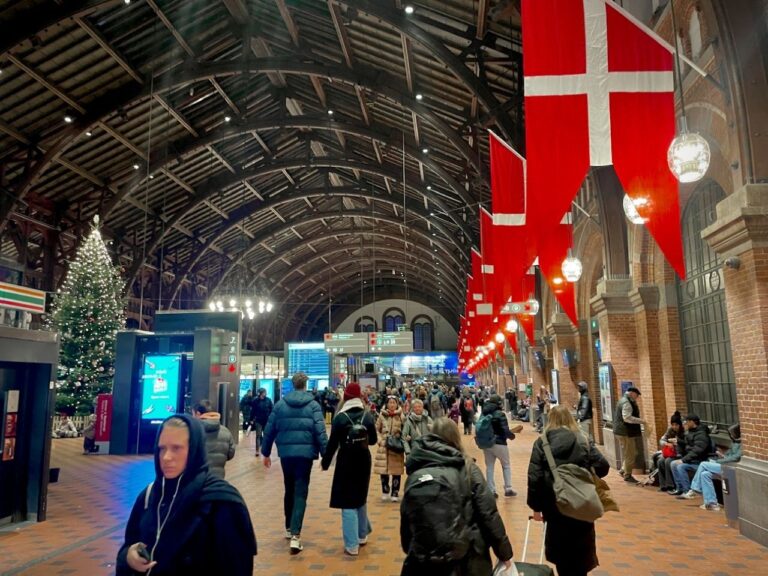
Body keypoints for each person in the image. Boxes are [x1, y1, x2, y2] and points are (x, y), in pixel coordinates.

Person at [116, 414, 256, 575]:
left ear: (194, 450)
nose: (167, 457)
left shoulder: (221, 501)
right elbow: (129, 544)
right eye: (162, 449)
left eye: (176, 448)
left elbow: (237, 567)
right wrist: (128, 557)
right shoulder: (149, 496)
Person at [400, 417, 514, 576]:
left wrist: (414, 547)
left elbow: (407, 521)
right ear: (455, 437)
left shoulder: (417, 472)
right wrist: (504, 553)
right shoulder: (467, 468)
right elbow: (488, 513)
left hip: (423, 561)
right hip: (467, 558)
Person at [527, 405, 610, 576]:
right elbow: (603, 466)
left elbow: (534, 478)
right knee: (581, 551)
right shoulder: (583, 439)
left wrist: (536, 507)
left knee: (561, 552)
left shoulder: (542, 443)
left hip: (555, 504)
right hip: (582, 503)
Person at [261, 372, 328, 554]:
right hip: (305, 455)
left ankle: (289, 528)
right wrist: (326, 456)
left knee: (288, 488)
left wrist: (265, 452)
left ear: (292, 385)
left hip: (286, 455)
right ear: (305, 385)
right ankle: (296, 536)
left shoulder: (280, 405)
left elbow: (269, 429)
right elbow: (320, 432)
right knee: (300, 491)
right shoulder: (313, 405)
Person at [321, 383, 377, 556]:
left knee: (347, 502)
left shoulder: (340, 418)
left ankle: (351, 545)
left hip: (346, 461)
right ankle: (362, 536)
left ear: (345, 397)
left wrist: (325, 462)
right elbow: (373, 440)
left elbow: (332, 445)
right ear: (359, 396)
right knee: (360, 496)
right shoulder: (367, 416)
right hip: (364, 460)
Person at [683, 424, 741, 510]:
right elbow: (729, 456)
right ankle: (711, 503)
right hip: (725, 465)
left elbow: (735, 458)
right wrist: (722, 455)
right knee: (705, 474)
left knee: (703, 464)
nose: (731, 435)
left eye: (732, 433)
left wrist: (719, 461)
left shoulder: (743, 444)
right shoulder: (734, 443)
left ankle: (695, 489)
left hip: (732, 468)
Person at [480, 394, 522, 498]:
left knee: (489, 467)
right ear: (499, 403)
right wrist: (512, 436)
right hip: (500, 443)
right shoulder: (500, 414)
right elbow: (505, 430)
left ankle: (491, 490)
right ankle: (508, 488)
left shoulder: (484, 413)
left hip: (487, 443)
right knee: (506, 465)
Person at [669, 414, 711, 497]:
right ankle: (679, 488)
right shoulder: (691, 432)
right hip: (692, 459)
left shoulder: (701, 434)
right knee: (673, 463)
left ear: (692, 422)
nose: (685, 424)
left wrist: (683, 460)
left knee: (680, 466)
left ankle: (687, 490)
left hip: (699, 461)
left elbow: (697, 450)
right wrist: (678, 442)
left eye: (687, 422)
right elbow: (688, 445)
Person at [192, 399, 235, 479]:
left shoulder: (192, 431)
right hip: (218, 479)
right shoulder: (226, 431)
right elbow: (230, 453)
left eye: (193, 414)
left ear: (198, 414)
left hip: (195, 479)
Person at [375, 395, 405, 502]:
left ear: (397, 404)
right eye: (390, 403)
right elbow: (376, 429)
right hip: (384, 446)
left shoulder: (401, 416)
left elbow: (405, 429)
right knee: (384, 469)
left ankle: (395, 492)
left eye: (394, 403)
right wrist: (379, 440)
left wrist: (402, 438)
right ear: (386, 404)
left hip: (396, 447)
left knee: (396, 470)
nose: (392, 405)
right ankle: (385, 490)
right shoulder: (382, 416)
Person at [612, 386, 646, 483]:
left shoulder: (623, 400)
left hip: (621, 431)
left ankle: (623, 470)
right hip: (625, 432)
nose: (637, 397)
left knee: (631, 452)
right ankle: (627, 475)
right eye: (636, 395)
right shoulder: (626, 402)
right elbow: (627, 418)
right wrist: (642, 421)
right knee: (630, 454)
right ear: (632, 393)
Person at [655, 411, 684, 492]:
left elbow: (686, 443)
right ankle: (663, 485)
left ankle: (670, 485)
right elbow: (661, 440)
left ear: (680, 425)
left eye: (676, 425)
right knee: (660, 461)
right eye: (673, 425)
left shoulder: (684, 432)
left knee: (668, 461)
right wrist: (667, 443)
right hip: (671, 453)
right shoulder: (670, 430)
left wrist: (677, 442)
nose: (674, 427)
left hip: (680, 454)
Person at [251, 388, 273, 457]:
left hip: (266, 420)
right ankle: (257, 451)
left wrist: (271, 418)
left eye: (265, 392)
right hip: (258, 420)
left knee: (266, 435)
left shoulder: (268, 400)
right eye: (264, 392)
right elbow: (253, 411)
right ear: (260, 393)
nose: (265, 393)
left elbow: (272, 410)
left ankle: (265, 449)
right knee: (258, 435)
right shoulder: (255, 401)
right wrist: (251, 419)